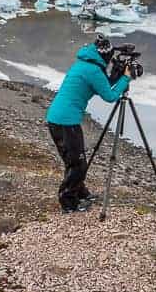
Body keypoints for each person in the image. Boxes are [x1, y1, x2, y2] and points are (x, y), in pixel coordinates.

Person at [46, 39, 130, 213]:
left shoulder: (84, 63)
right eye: (109, 57)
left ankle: (80, 193)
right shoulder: (93, 70)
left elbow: (103, 84)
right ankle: (69, 203)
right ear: (103, 56)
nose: (109, 61)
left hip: (56, 118)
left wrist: (117, 74)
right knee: (78, 164)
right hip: (67, 121)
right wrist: (126, 78)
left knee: (73, 160)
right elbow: (110, 96)